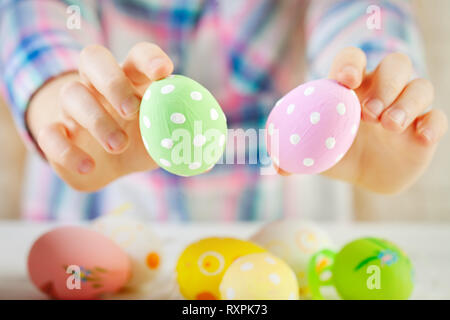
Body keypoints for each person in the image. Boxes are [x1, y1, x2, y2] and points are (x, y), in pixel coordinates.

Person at [0, 0, 447, 221]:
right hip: (97, 207)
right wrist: (57, 94)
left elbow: (363, 10)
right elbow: (36, 14)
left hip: (285, 217)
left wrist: (372, 93)